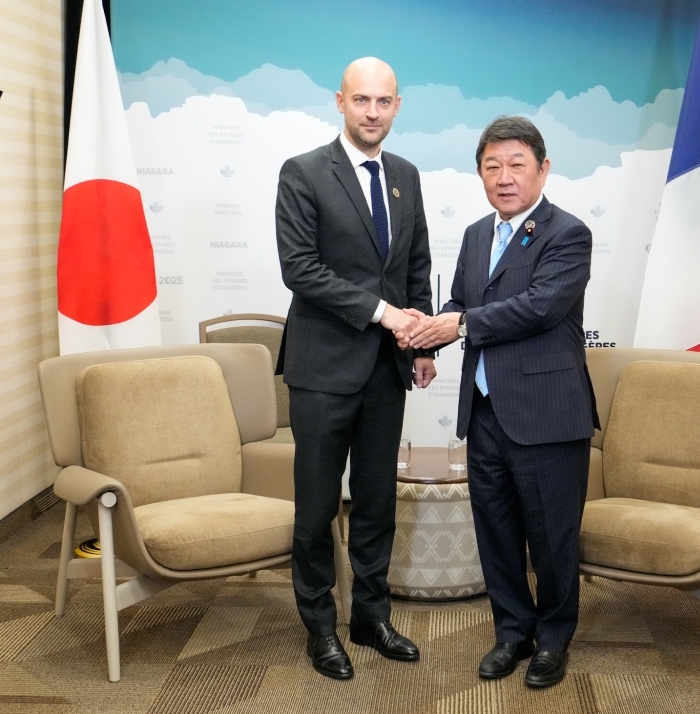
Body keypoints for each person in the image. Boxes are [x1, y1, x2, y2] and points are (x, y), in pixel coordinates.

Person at [402, 116, 597, 689]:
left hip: (547, 413)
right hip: (484, 410)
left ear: (543, 168)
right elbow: (462, 301)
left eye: (517, 164)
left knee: (553, 539)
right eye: (493, 166)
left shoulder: (568, 233)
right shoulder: (474, 234)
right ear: (480, 173)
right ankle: (513, 632)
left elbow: (539, 307)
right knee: (497, 532)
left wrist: (456, 324)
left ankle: (554, 640)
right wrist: (429, 337)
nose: (504, 177)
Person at [275, 57, 435, 680]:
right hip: (321, 370)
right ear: (339, 102)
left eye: (384, 102)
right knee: (316, 510)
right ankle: (320, 628)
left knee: (375, 504)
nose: (373, 113)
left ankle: (370, 617)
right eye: (361, 101)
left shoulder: (407, 176)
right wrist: (383, 314)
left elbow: (415, 262)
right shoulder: (304, 173)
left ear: (398, 105)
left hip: (385, 371)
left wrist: (421, 342)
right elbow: (301, 270)